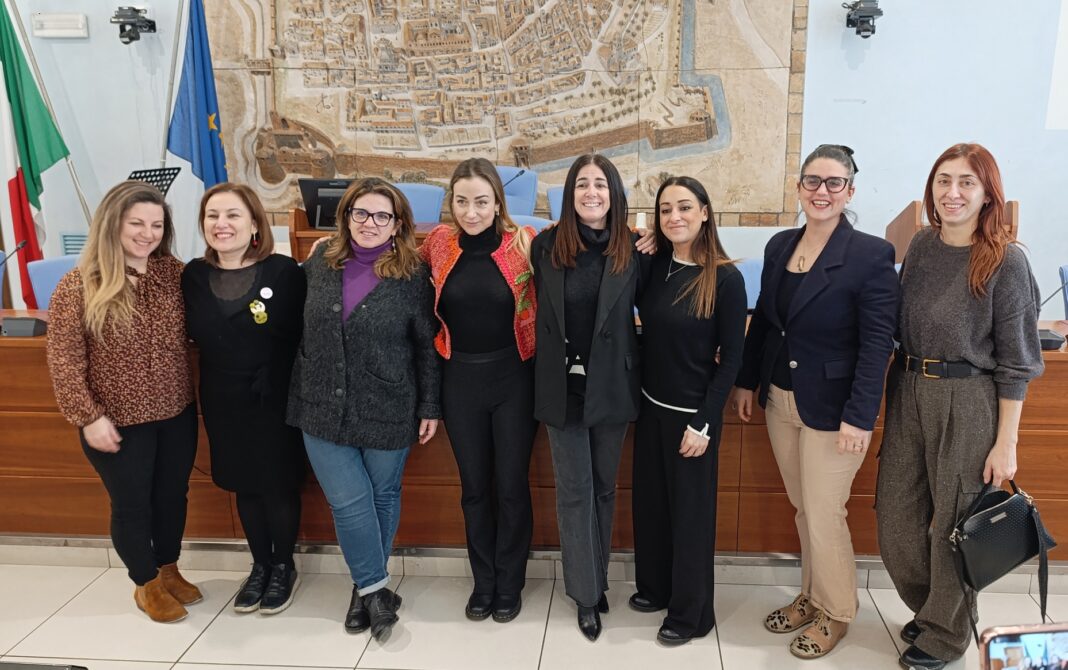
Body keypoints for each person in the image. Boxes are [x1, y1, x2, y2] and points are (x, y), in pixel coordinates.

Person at [876, 143, 1044, 670]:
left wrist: (1006, 443)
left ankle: (946, 634)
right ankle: (934, 610)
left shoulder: (1007, 261)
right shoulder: (922, 246)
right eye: (943, 180)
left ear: (987, 193)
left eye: (967, 182)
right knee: (896, 519)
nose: (952, 192)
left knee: (955, 522)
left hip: (968, 399)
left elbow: (1018, 363)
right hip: (908, 388)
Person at [729, 144, 899, 659]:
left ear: (850, 190)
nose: (821, 191)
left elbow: (877, 344)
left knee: (825, 513)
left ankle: (837, 612)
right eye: (812, 181)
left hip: (835, 410)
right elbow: (765, 321)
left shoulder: (870, 254)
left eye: (833, 182)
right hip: (781, 399)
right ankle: (811, 595)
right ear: (799, 187)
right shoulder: (781, 245)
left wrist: (860, 416)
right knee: (805, 509)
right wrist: (746, 381)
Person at [287, 177, 441, 642]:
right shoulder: (318, 263)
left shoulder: (413, 276)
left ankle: (363, 591)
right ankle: (376, 590)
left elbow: (427, 347)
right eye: (360, 213)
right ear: (345, 216)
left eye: (381, 216)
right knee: (348, 501)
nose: (369, 223)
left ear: (397, 224)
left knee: (382, 496)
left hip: (389, 404)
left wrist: (430, 404)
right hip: (320, 404)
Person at [46, 181, 200, 623]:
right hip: (115, 420)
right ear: (112, 223)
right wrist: (88, 417)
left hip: (176, 413)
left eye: (157, 225)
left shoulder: (175, 274)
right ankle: (145, 583)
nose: (147, 234)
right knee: (132, 504)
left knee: (172, 496)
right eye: (136, 223)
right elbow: (64, 360)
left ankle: (168, 569)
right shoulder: (79, 285)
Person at [530, 153, 652, 642]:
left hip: (612, 386)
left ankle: (596, 578)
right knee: (574, 491)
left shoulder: (634, 250)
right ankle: (585, 594)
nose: (591, 192)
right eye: (582, 184)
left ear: (614, 193)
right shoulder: (545, 245)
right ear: (570, 194)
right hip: (561, 388)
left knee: (603, 488)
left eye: (600, 184)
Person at [419, 158, 538, 623]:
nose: (471, 212)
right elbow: (397, 261)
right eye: (462, 201)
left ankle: (510, 582)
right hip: (460, 380)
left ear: (498, 204)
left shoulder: (523, 243)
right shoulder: (438, 243)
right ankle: (483, 581)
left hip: (514, 379)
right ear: (451, 203)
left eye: (482, 202)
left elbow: (580, 244)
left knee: (510, 487)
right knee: (473, 489)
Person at [630, 176, 747, 646]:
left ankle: (690, 613)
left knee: (690, 519)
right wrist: (641, 246)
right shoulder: (655, 266)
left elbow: (732, 359)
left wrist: (704, 423)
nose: (674, 217)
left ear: (704, 212)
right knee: (652, 507)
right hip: (650, 408)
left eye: (684, 207)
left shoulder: (726, 278)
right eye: (665, 210)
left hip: (692, 417)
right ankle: (656, 589)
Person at [182, 183, 307, 615]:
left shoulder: (284, 272)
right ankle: (259, 565)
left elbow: (305, 335)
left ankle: (284, 566)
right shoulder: (192, 276)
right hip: (223, 398)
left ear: (255, 223)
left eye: (233, 215)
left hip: (275, 396)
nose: (222, 224)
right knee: (244, 484)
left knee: (277, 482)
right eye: (212, 215)